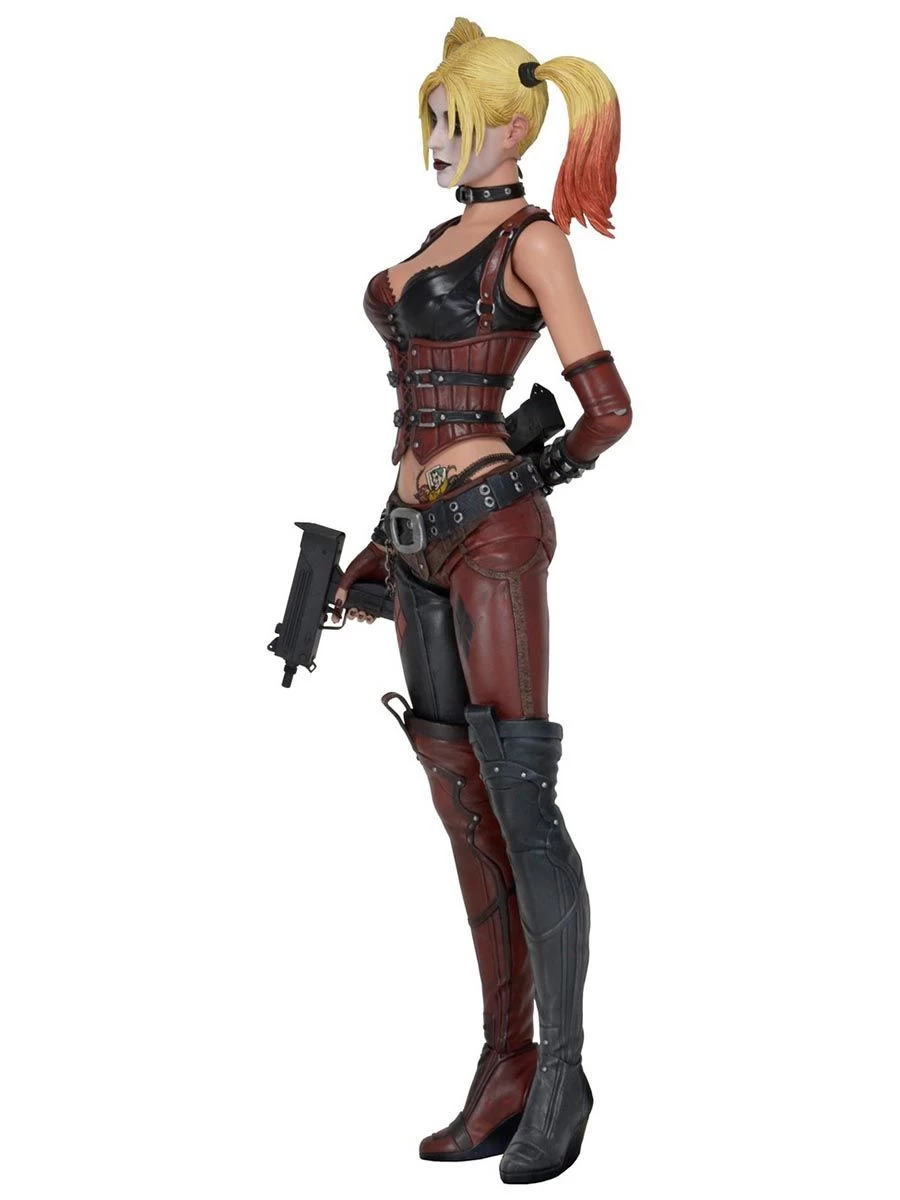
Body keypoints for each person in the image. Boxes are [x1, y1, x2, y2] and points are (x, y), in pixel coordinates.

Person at [329, 17, 632, 1185]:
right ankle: (504, 1066)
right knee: (461, 800)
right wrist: (381, 541)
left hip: (494, 542)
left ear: (510, 125)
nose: (437, 137)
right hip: (413, 546)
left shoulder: (532, 239)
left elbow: (608, 410)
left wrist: (519, 478)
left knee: (521, 795)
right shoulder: (438, 239)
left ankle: (564, 1073)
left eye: (451, 118)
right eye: (430, 118)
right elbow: (418, 423)